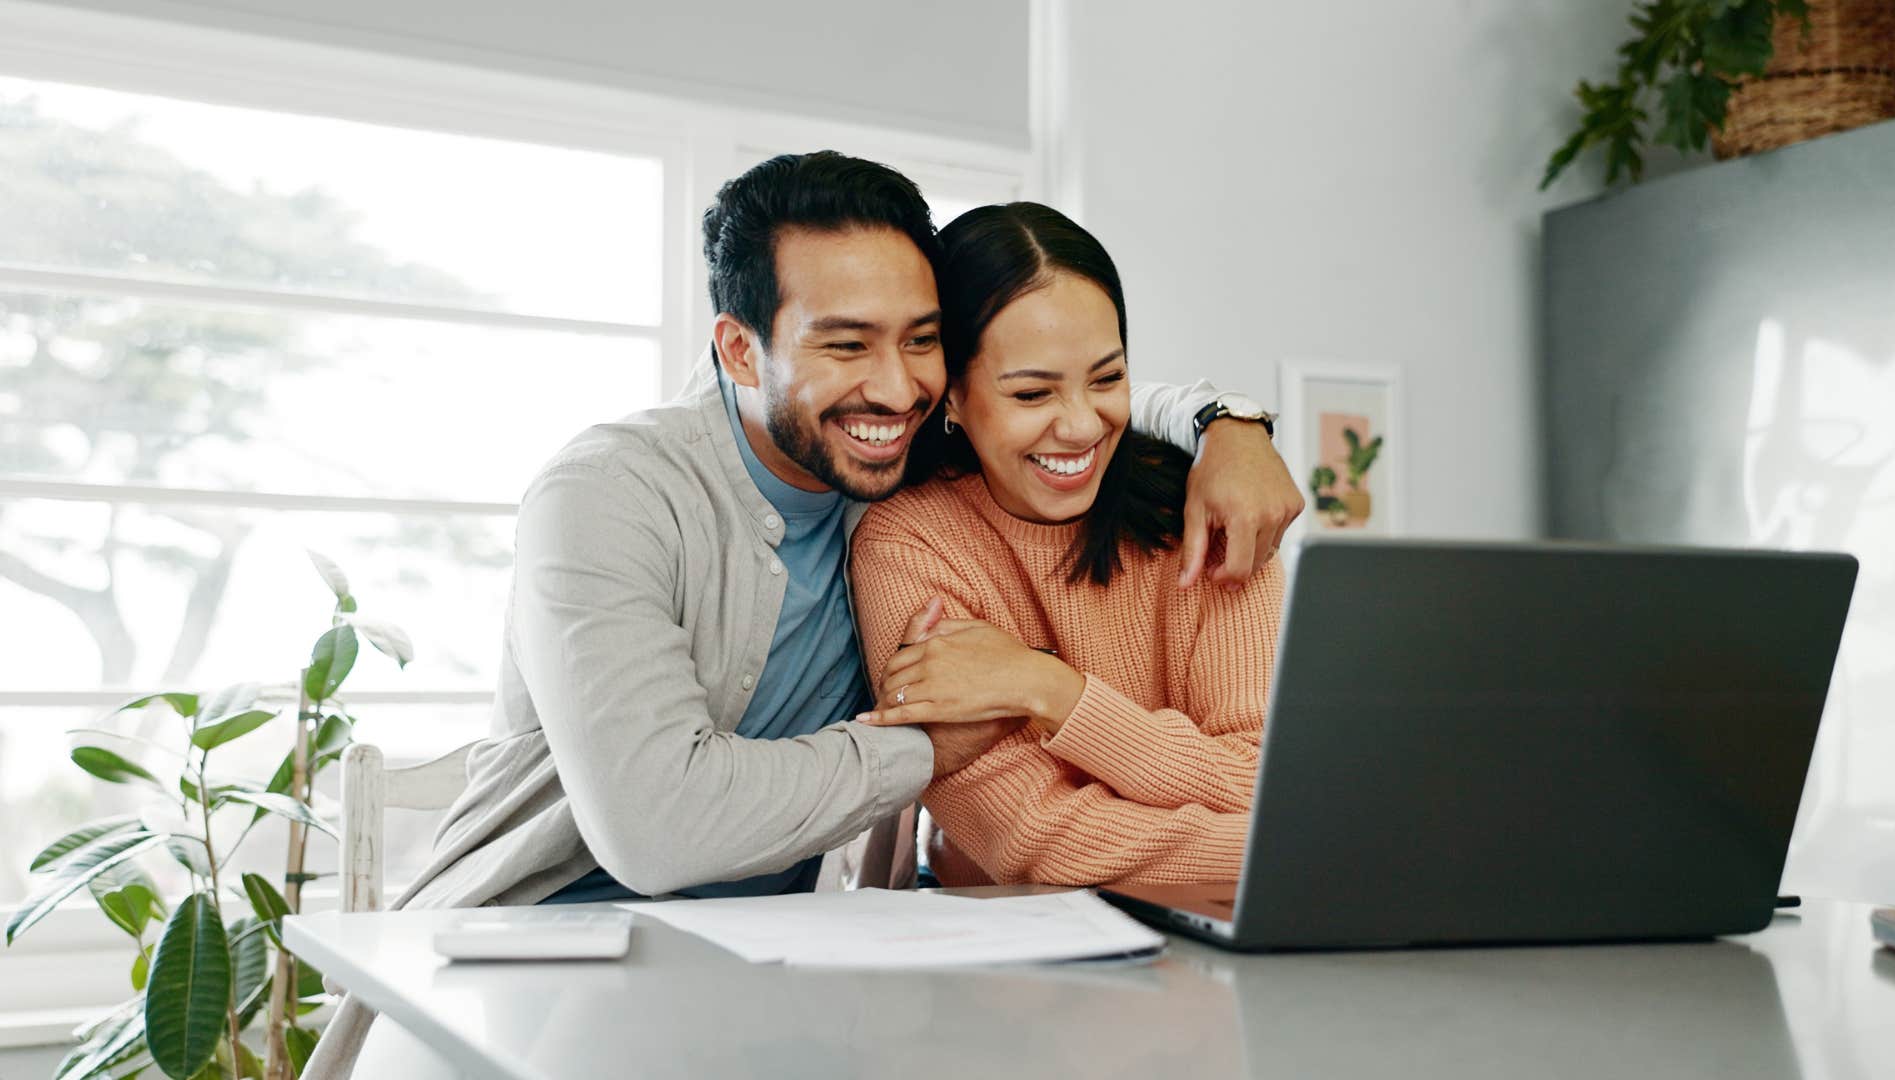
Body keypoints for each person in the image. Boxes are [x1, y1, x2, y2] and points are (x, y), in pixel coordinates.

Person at [310, 152, 1301, 1077]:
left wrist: (1230, 424)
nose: (894, 385)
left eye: (919, 342)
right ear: (740, 350)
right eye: (845, 345)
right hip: (515, 962)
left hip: (763, 971)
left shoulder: (895, 455)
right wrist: (935, 749)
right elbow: (656, 831)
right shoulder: (611, 491)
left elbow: (1050, 386)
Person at [849, 202, 1285, 886]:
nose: (1082, 425)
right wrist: (1295, 859)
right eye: (1032, 394)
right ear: (952, 397)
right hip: (1010, 957)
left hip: (1239, 939)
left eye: (1108, 379)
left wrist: (1048, 688)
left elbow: (1269, 782)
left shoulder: (1208, 515)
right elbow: (1031, 838)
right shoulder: (909, 545)